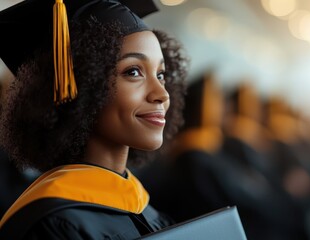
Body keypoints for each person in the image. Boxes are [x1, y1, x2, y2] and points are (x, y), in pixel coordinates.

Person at [0, 0, 187, 239]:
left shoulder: (146, 210)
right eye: (133, 72)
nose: (162, 93)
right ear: (83, 86)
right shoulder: (52, 224)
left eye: (161, 74)